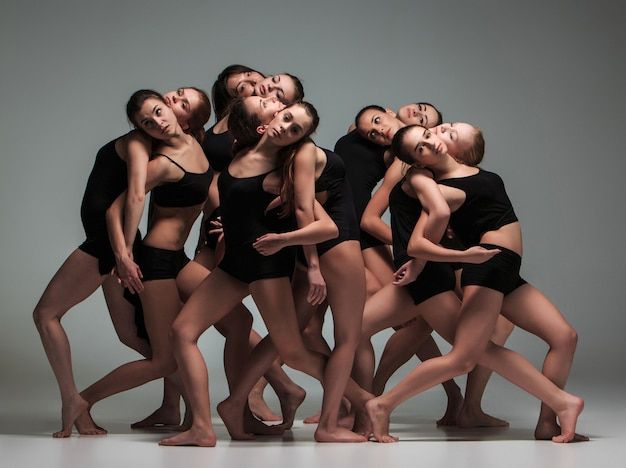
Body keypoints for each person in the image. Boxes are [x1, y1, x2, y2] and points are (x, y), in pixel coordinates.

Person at [160, 101, 373, 447]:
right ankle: (202, 427)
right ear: (273, 117)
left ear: (297, 140)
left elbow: (326, 227)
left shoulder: (282, 173)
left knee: (293, 351)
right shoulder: (239, 148)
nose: (285, 128)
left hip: (266, 267)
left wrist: (289, 246)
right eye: (286, 118)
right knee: (182, 332)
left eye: (295, 130)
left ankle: (365, 401)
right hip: (233, 265)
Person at [363, 124, 585, 444]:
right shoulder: (442, 189)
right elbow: (416, 242)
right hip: (487, 267)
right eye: (420, 148)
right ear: (418, 162)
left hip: (506, 268)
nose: (431, 142)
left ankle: (549, 422)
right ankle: (381, 404)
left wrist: (420, 263)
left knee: (565, 337)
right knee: (464, 358)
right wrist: (456, 259)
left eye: (430, 135)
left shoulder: (468, 170)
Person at [33, 86, 211, 437]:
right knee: (133, 336)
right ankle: (188, 406)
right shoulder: (144, 143)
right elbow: (130, 197)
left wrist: (123, 253)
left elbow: (133, 195)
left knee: (47, 315)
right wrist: (125, 253)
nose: (157, 121)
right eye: (146, 121)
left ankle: (75, 400)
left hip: (106, 246)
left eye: (160, 111)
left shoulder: (150, 147)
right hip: (114, 248)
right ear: (139, 126)